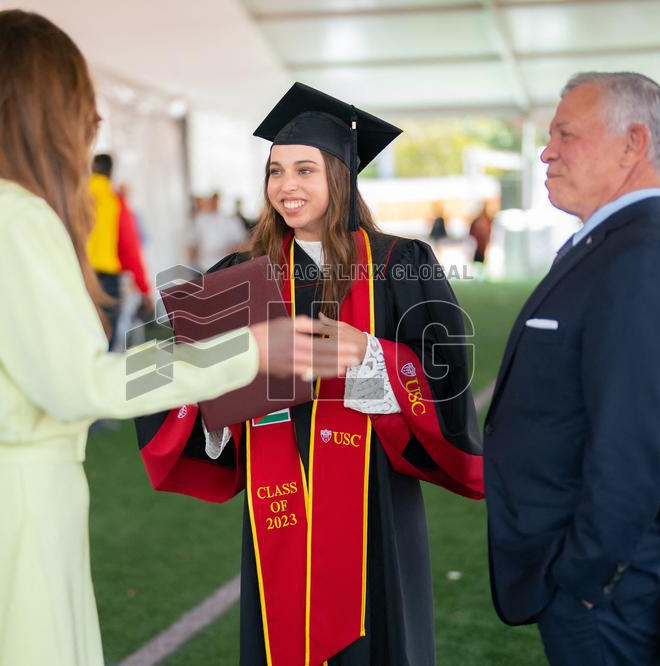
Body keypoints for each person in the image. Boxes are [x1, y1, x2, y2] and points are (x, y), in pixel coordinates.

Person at [0, 14, 358, 666]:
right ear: (44, 104)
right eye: (77, 95)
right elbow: (85, 385)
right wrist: (252, 350)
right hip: (27, 510)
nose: (91, 118)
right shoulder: (18, 218)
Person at [136, 83, 484, 666]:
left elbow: (446, 379)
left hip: (374, 502)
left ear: (341, 177)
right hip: (280, 500)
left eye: (304, 170)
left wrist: (372, 354)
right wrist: (217, 397)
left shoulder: (401, 263)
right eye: (275, 171)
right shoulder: (241, 273)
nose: (286, 187)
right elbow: (164, 377)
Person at [483, 72, 660, 665]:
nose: (546, 150)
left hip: (608, 594)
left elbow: (632, 445)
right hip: (599, 584)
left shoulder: (642, 255)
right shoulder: (612, 244)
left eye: (566, 133)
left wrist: (582, 580)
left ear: (633, 145)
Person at [88, 153, 153, 348]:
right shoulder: (114, 200)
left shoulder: (74, 195)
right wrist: (144, 288)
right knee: (105, 341)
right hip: (106, 280)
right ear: (110, 172)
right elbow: (129, 248)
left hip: (78, 273)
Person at [189, 191, 250, 270]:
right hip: (204, 267)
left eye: (216, 200)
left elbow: (244, 244)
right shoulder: (199, 220)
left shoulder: (231, 220)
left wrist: (228, 249)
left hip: (227, 266)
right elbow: (192, 247)